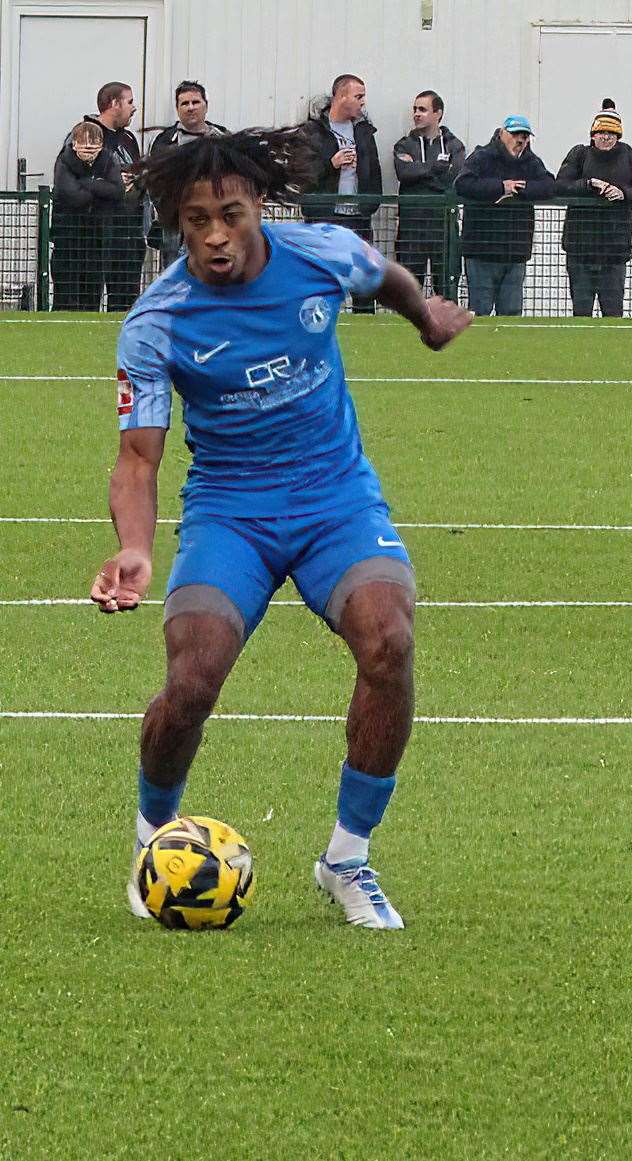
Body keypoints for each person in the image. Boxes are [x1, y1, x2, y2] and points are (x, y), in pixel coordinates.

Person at [91, 128, 473, 929]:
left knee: (389, 640)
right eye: (195, 220)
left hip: (337, 498)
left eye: (229, 213)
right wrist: (134, 546)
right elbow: (137, 458)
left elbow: (389, 276)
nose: (215, 235)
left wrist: (426, 318)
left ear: (259, 204)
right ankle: (153, 833)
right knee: (191, 680)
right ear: (177, 223)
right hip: (231, 512)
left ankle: (346, 857)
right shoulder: (157, 320)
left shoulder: (324, 253)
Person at [553, 100, 632, 317]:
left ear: (618, 137)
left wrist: (624, 193)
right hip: (579, 251)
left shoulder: (627, 155)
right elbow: (560, 186)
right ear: (593, 134)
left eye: (611, 133)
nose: (606, 137)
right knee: (581, 315)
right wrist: (588, 183)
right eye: (601, 132)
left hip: (614, 253)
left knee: (613, 316)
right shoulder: (579, 154)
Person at [455, 114, 554, 316]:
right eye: (516, 134)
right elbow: (462, 183)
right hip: (481, 250)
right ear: (502, 133)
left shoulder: (531, 162)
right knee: (480, 312)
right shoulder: (481, 156)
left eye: (525, 136)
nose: (521, 140)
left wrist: (522, 189)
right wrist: (501, 187)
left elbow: (550, 185)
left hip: (515, 251)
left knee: (511, 314)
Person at [78, 82, 144, 310]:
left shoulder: (129, 139)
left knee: (126, 304)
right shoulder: (85, 135)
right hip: (92, 234)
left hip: (127, 232)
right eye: (130, 101)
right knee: (84, 303)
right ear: (114, 104)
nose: (134, 108)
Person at [393, 90, 465, 294]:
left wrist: (419, 169)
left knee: (446, 291)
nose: (416, 114)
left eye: (422, 109)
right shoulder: (404, 144)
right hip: (411, 229)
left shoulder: (454, 145)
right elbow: (403, 172)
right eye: (415, 109)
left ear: (438, 114)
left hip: (444, 229)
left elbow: (454, 178)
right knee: (408, 292)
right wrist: (435, 168)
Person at [147, 81, 228, 264]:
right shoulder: (164, 141)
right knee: (174, 273)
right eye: (184, 103)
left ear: (206, 106)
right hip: (175, 224)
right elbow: (155, 181)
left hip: (215, 221)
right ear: (177, 108)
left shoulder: (223, 139)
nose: (190, 108)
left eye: (195, 102)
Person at [52, 121, 122, 310]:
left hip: (98, 235)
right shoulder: (64, 160)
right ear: (74, 144)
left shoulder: (109, 159)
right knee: (65, 291)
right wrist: (98, 185)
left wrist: (86, 183)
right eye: (84, 147)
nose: (89, 152)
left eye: (93, 148)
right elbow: (71, 195)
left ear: (101, 145)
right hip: (67, 235)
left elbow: (117, 191)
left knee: (92, 289)